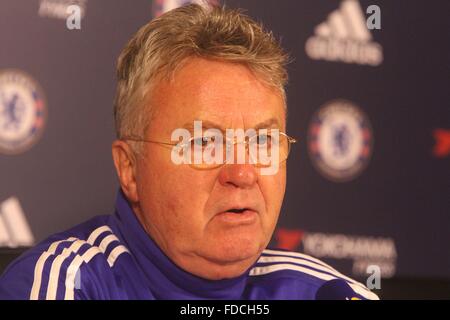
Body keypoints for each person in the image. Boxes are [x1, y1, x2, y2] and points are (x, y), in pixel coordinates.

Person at [0, 3, 377, 300]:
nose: (242, 173)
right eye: (204, 143)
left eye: (262, 142)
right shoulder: (65, 285)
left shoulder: (324, 293)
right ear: (130, 168)